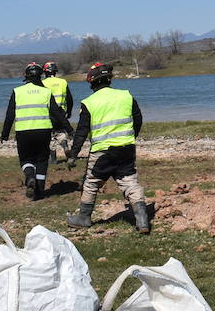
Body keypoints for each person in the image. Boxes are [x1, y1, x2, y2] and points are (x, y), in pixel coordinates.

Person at [65, 62, 152, 233]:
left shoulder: (89, 102)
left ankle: (83, 217)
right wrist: (130, 137)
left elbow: (81, 132)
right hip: (126, 148)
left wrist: (73, 155)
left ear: (92, 82)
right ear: (109, 79)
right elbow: (138, 119)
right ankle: (142, 219)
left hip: (102, 152)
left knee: (91, 183)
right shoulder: (126, 96)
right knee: (130, 182)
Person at [0, 62, 74, 200]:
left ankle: (29, 176)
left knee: (26, 159)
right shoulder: (46, 92)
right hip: (43, 131)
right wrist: (69, 129)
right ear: (41, 76)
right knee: (41, 160)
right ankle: (39, 191)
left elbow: (10, 115)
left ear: (26, 76)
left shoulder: (17, 91)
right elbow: (57, 113)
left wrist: (4, 134)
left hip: (23, 132)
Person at [42, 61, 74, 164]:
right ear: (55, 71)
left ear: (45, 72)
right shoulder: (63, 82)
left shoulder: (42, 83)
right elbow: (69, 98)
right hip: (61, 112)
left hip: (48, 113)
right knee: (60, 132)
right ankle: (65, 146)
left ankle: (53, 159)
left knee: (50, 135)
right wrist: (69, 111)